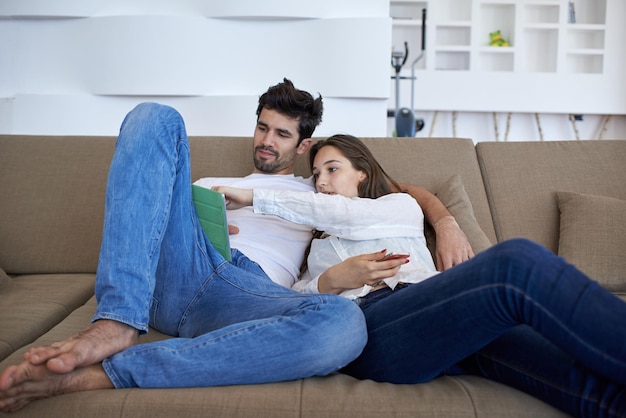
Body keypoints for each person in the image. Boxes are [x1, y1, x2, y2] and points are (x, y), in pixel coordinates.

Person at [0, 80, 470, 412]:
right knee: (155, 117)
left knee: (343, 322)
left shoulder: (320, 189)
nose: (267, 142)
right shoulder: (210, 183)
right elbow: (142, 205)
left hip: (244, 296)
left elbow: (398, 190)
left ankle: (110, 373)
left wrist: (445, 222)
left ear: (304, 145)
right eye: (262, 128)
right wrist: (199, 219)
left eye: (282, 134)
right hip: (181, 269)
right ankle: (118, 319)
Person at [215, 134, 626, 418]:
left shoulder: (399, 207)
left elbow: (344, 214)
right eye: (316, 175)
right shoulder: (314, 246)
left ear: (362, 172)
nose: (320, 182)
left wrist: (254, 195)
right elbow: (295, 300)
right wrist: (332, 280)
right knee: (514, 263)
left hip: (441, 318)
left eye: (332, 169)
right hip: (375, 330)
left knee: (585, 387)